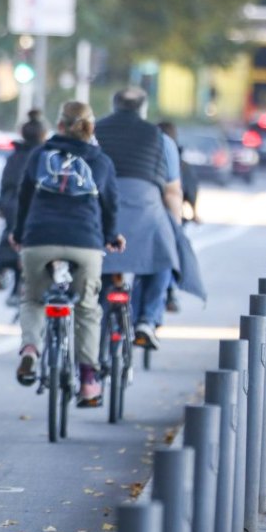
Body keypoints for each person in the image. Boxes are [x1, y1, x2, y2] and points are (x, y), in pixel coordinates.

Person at [11, 100, 125, 406]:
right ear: (91, 127)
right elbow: (110, 206)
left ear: (59, 126)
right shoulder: (101, 161)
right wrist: (112, 236)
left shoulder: (39, 155)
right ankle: (88, 381)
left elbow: (23, 199)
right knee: (87, 308)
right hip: (85, 242)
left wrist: (18, 235)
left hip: (39, 240)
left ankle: (31, 349)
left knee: (33, 298)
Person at [96, 88, 183, 351]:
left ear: (114, 107)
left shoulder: (94, 133)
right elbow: (172, 192)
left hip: (103, 214)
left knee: (98, 266)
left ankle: (94, 314)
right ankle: (147, 318)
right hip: (146, 212)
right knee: (164, 257)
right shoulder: (161, 140)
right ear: (143, 110)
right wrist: (176, 229)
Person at [0, 110, 50, 306]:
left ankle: (3, 270)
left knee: (11, 236)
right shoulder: (46, 157)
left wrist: (2, 206)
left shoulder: (15, 157)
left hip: (13, 207)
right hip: (38, 207)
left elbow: (6, 184)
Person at [157, 121, 196, 314]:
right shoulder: (180, 162)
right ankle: (172, 289)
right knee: (173, 253)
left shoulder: (148, 152)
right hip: (168, 215)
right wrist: (192, 213)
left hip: (145, 213)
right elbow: (188, 190)